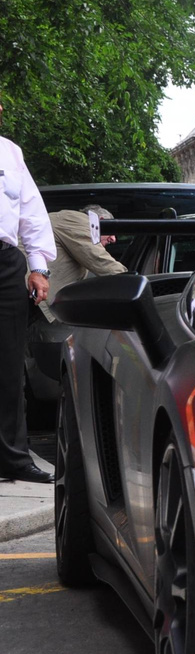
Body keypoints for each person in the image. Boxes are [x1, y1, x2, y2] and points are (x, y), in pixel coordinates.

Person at [0, 100, 56, 483]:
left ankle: (14, 460)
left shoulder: (10, 152)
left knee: (7, 365)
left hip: (5, 262)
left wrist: (38, 266)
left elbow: (31, 213)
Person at [47, 204, 125, 303]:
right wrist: (133, 280)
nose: (113, 239)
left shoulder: (71, 221)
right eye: (110, 232)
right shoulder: (80, 222)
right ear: (100, 221)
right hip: (29, 290)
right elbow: (99, 259)